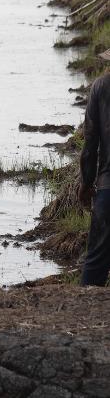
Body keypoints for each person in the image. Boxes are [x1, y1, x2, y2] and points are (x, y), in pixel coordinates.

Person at [78, 49, 110, 286]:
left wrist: (86, 184)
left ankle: (79, 318)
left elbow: (90, 144)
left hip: (107, 189)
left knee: (96, 262)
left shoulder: (100, 87)